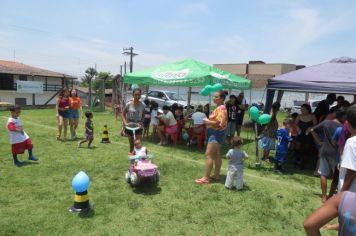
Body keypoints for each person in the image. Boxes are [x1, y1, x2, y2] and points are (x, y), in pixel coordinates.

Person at [309, 108, 346, 203]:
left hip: (324, 150)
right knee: (336, 176)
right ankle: (330, 196)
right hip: (336, 153)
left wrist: (320, 142)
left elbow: (312, 129)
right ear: (342, 116)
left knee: (323, 174)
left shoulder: (326, 122)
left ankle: (324, 196)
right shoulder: (343, 127)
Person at [195, 90, 228, 185]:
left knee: (208, 155)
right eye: (214, 96)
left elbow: (218, 122)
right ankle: (216, 175)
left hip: (216, 133)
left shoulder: (221, 108)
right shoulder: (221, 107)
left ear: (221, 98)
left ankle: (206, 178)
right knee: (216, 154)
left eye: (216, 97)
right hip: (219, 133)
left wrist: (207, 121)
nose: (214, 98)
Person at [121, 88, 145, 153]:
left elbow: (143, 116)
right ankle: (132, 160)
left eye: (139, 95)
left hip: (138, 127)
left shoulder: (142, 105)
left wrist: (141, 122)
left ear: (140, 95)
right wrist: (125, 123)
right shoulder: (128, 104)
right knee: (131, 145)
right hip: (129, 127)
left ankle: (139, 159)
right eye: (135, 94)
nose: (137, 96)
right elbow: (123, 114)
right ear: (133, 95)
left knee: (138, 144)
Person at [295, 104, 317, 169]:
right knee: (298, 146)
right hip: (300, 134)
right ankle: (297, 160)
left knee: (306, 148)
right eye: (301, 109)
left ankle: (304, 162)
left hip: (309, 135)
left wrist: (311, 127)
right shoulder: (299, 116)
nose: (301, 110)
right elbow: (295, 124)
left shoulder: (313, 116)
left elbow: (316, 126)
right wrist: (297, 128)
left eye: (303, 109)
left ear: (308, 110)